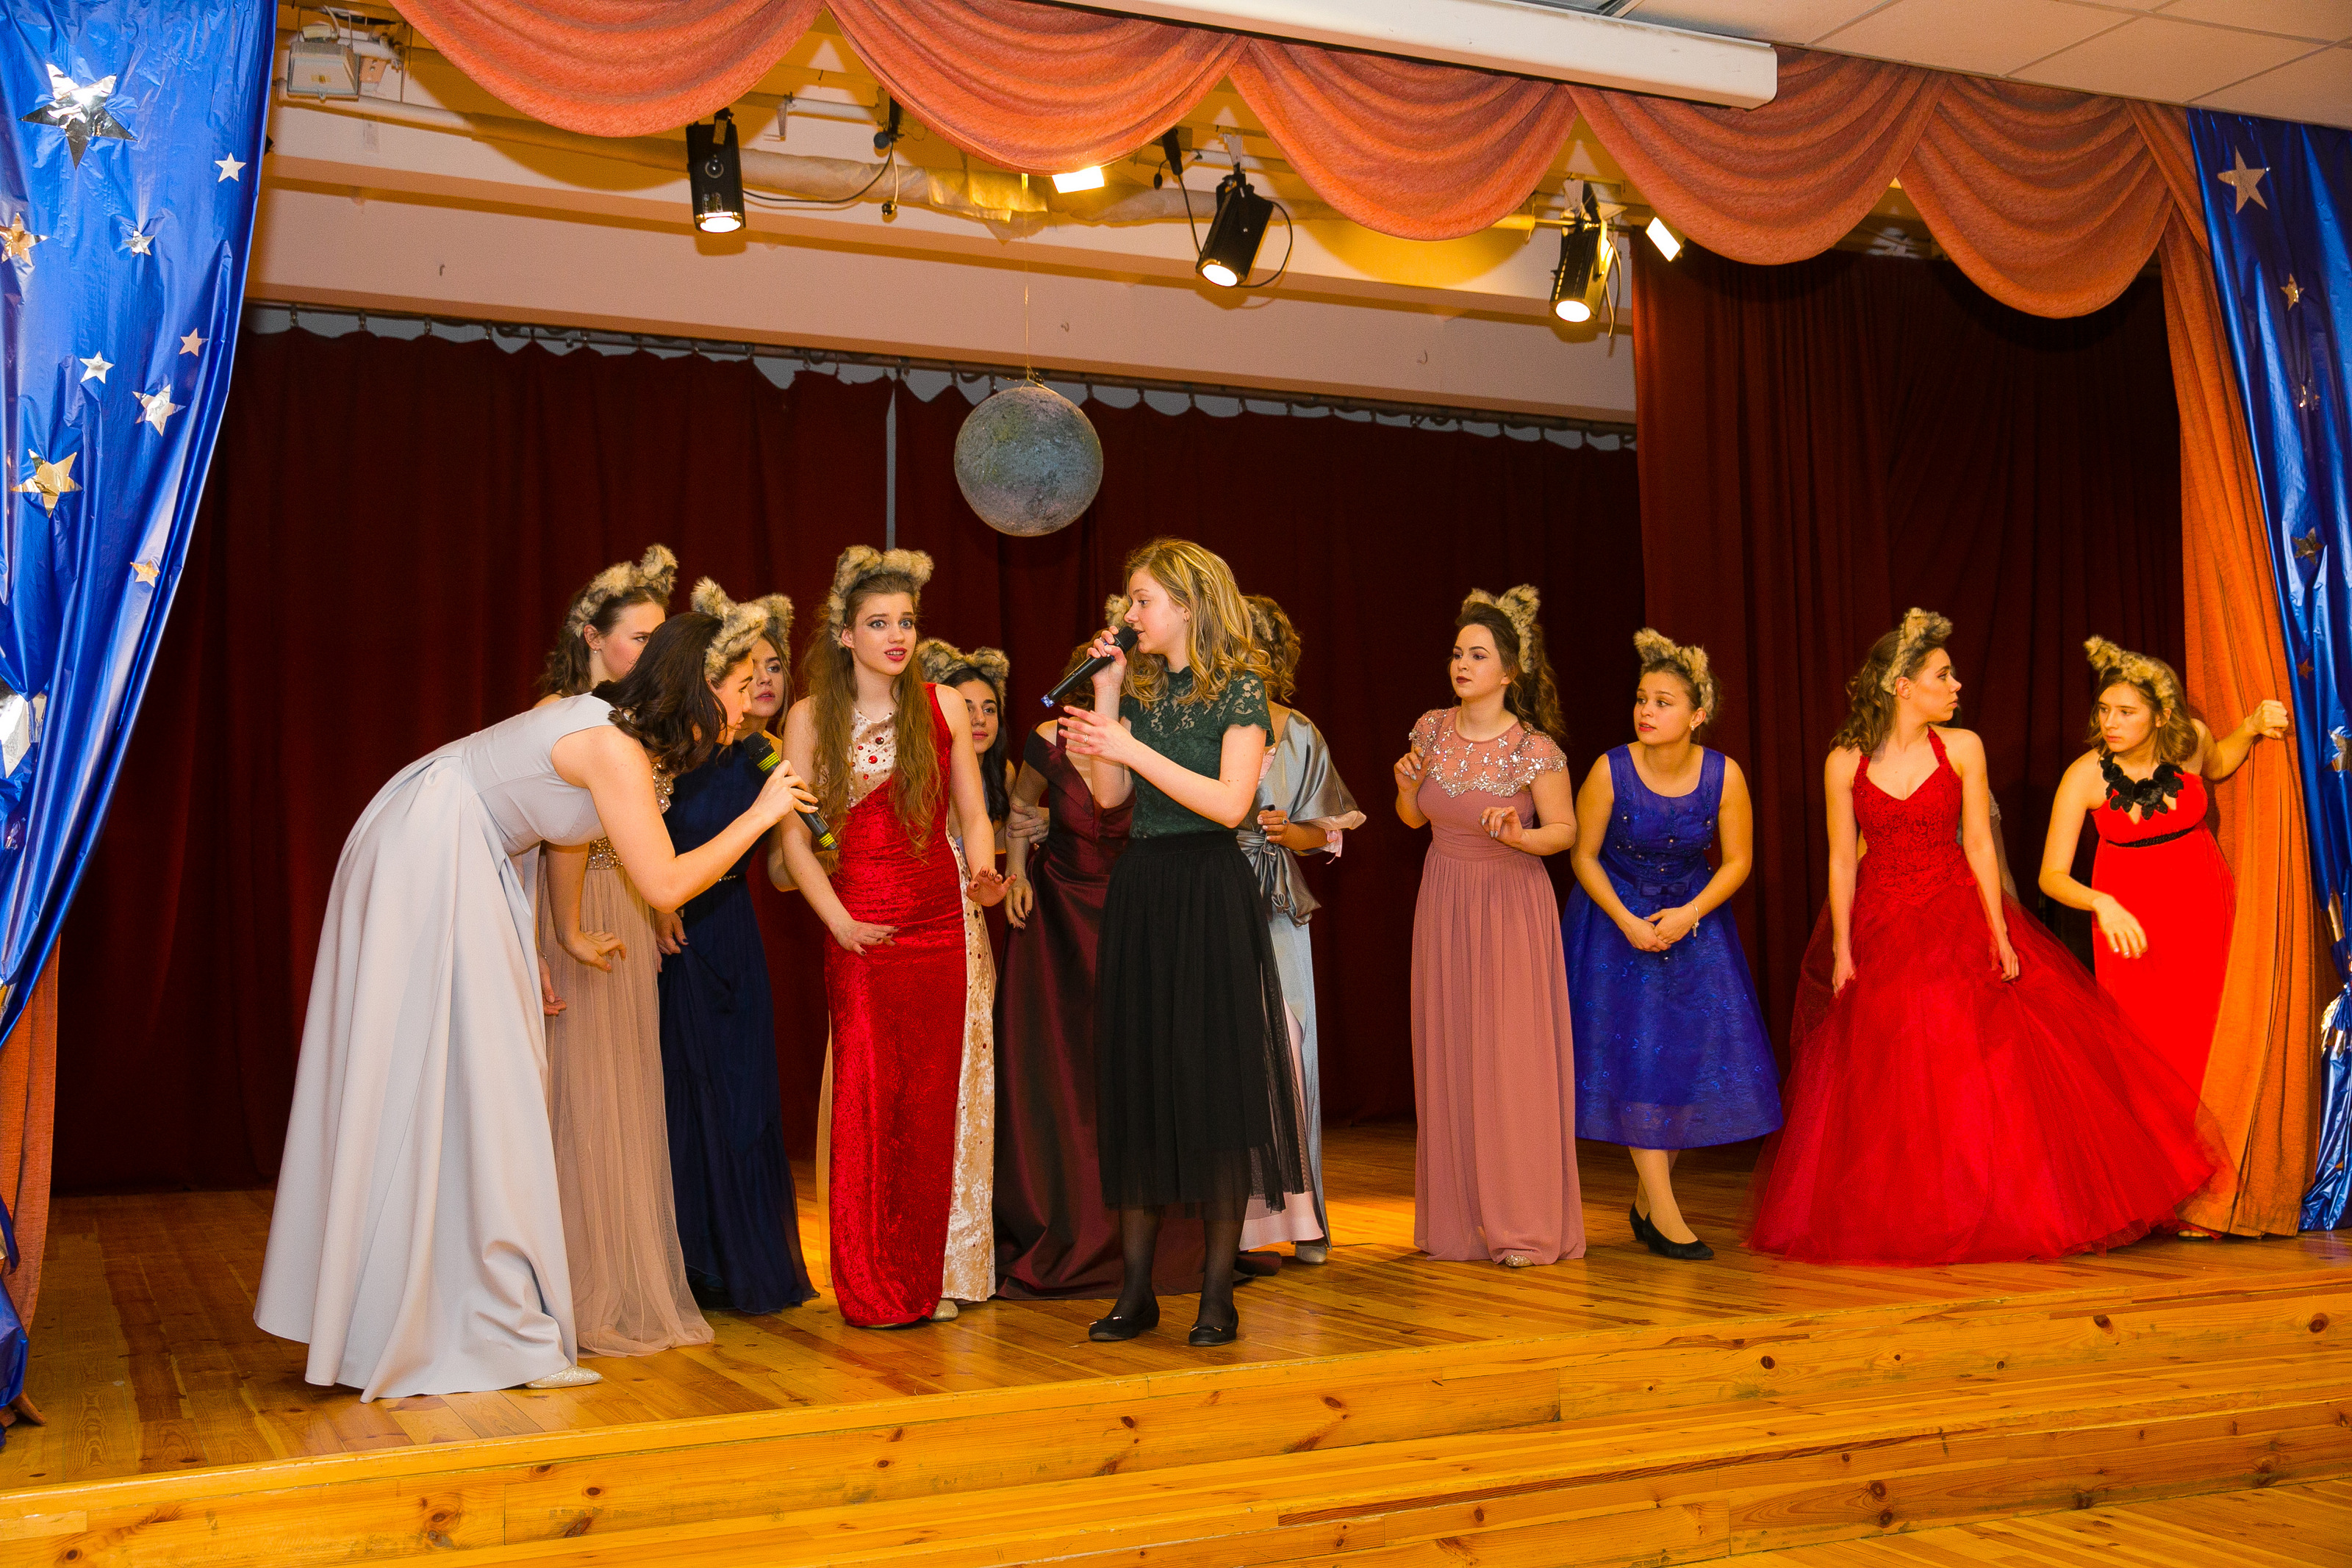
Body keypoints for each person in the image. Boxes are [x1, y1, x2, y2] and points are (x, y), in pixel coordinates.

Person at [257, 611, 818, 1398]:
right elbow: (662, 884)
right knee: (473, 1087)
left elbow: (559, 827)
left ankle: (442, 1310)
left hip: (464, 850)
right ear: (697, 685)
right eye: (735, 687)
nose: (746, 704)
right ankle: (468, 1319)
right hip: (433, 848)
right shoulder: (613, 744)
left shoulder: (620, 735)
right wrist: (761, 814)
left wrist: (560, 934)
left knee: (472, 1088)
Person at [1749, 610, 2215, 1265]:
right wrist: (1843, 949)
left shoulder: (1963, 747)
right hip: (1882, 919)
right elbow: (1842, 860)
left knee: (1973, 1064)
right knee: (1892, 1071)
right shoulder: (1844, 762)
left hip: (1955, 910)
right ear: (1903, 686)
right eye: (1942, 675)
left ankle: (1993, 1204)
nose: (1956, 685)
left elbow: (1977, 843)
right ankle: (1909, 1211)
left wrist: (2000, 931)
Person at [1059, 539, 1304, 1347]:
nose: (1129, 614)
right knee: (1143, 1083)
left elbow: (1232, 805)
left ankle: (1216, 1296)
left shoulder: (1240, 687)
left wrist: (1130, 746)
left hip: (1208, 891)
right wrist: (1106, 696)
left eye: (1143, 600)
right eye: (1130, 601)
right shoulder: (1138, 687)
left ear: (1189, 606)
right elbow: (1110, 800)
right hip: (1144, 887)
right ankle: (1135, 1293)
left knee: (1214, 1088)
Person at [776, 547, 1002, 1329]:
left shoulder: (942, 706)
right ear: (844, 635)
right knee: (871, 1103)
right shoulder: (809, 717)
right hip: (859, 933)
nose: (897, 636)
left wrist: (984, 874)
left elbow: (973, 814)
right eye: (878, 623)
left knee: (936, 1102)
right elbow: (794, 840)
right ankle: (873, 1278)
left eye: (906, 622)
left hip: (942, 924)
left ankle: (934, 1272)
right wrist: (837, 922)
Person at [530, 545, 715, 1356]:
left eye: (654, 637)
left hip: (626, 910)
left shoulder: (635, 720)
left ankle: (614, 1273)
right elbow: (560, 835)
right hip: (572, 908)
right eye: (636, 636)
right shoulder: (564, 712)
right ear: (591, 636)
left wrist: (657, 902)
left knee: (623, 1092)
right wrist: (564, 929)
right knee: (575, 1092)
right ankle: (562, 1281)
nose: (647, 650)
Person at [2038, 636, 2288, 1232]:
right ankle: (2167, 1193)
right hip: (2132, 928)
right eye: (2105, 710)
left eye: (2126, 712)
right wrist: (2101, 903)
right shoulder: (2085, 777)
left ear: (2161, 714)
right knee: (2151, 1055)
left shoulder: (2190, 743)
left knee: (2211, 1040)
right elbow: (2051, 875)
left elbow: (2219, 762)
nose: (2111, 722)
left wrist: (2251, 727)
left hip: (2204, 909)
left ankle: (2217, 1197)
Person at [1560, 630, 1780, 1263]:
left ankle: (1645, 1202)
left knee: (1681, 1063)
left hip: (1692, 923)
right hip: (1615, 927)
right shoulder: (1609, 769)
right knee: (1635, 1064)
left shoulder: (1724, 774)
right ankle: (1666, 1214)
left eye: (1663, 702)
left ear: (1697, 714)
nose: (1646, 711)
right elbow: (1583, 855)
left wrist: (1689, 914)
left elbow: (1737, 862)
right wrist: (1627, 920)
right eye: (1641, 699)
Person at [1396, 586, 1585, 1268]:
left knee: (1511, 1062)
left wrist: (1519, 836)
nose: (1462, 664)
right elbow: (1413, 819)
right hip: (1444, 899)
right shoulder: (1430, 729)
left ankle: (1523, 1226)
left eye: (1478, 655)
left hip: (1510, 906)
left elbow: (1564, 832)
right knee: (1452, 1054)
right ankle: (1460, 1223)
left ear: (1509, 671)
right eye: (1458, 653)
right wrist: (1403, 786)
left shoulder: (1536, 749)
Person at [657, 580, 818, 1316]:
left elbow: (782, 873)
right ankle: (683, 1264)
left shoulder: (768, 755)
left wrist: (826, 834)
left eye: (775, 666)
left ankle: (739, 1262)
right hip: (670, 933)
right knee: (678, 1097)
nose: (764, 679)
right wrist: (653, 903)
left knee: (742, 1097)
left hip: (733, 933)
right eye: (749, 667)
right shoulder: (677, 745)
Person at [1236, 595, 1361, 1267]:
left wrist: (1292, 832)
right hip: (1209, 899)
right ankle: (1229, 1224)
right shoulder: (1200, 722)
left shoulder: (1301, 733)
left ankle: (1301, 1216)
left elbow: (1327, 832)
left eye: (1253, 646)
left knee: (1288, 1051)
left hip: (1275, 905)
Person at [917, 638, 1014, 1311]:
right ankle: (928, 1254)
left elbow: (996, 841)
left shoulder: (996, 780)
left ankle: (966, 1252)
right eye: (966, 707)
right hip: (919, 916)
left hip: (969, 926)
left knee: (972, 1080)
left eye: (989, 708)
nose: (978, 719)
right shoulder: (924, 766)